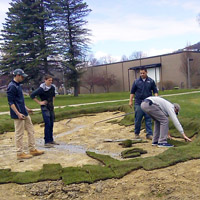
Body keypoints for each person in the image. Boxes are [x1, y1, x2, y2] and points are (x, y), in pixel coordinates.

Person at [7, 69, 45, 160]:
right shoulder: (11, 86)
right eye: (22, 76)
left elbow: (20, 101)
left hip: (24, 112)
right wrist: (18, 113)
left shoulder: (18, 85)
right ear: (17, 75)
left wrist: (27, 109)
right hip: (18, 114)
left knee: (31, 130)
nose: (23, 78)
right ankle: (19, 153)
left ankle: (32, 149)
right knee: (19, 133)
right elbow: (11, 102)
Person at [129, 67, 158, 140]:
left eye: (143, 73)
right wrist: (130, 101)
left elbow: (155, 91)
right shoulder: (136, 81)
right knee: (138, 119)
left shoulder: (151, 81)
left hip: (148, 103)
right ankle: (137, 133)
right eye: (141, 73)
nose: (142, 74)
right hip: (138, 103)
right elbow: (132, 92)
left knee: (148, 119)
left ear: (146, 72)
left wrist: (156, 99)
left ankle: (149, 134)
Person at [30, 75, 58, 148]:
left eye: (51, 80)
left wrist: (52, 103)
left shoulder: (52, 87)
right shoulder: (41, 89)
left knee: (51, 122)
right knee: (47, 123)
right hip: (44, 107)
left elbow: (53, 96)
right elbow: (32, 95)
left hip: (50, 107)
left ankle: (51, 140)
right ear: (45, 80)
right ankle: (47, 141)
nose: (50, 82)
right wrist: (39, 102)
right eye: (49, 80)